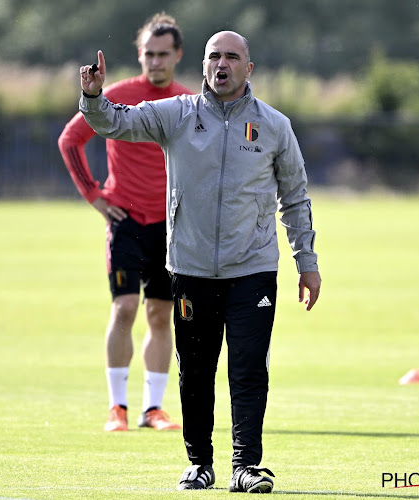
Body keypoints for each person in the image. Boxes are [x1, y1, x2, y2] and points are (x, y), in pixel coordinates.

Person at [77, 31, 322, 493]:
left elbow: (295, 197)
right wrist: (92, 97)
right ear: (204, 66)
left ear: (249, 69)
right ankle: (200, 463)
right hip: (189, 270)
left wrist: (305, 262)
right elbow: (117, 123)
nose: (222, 64)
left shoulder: (274, 126)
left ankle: (247, 466)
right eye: (215, 56)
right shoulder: (177, 114)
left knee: (248, 369)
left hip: (253, 269)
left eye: (232, 57)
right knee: (196, 371)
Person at [58, 13, 191, 433]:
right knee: (125, 307)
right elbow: (70, 139)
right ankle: (117, 407)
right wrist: (94, 195)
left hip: (170, 225)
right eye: (148, 54)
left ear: (177, 55)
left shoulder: (188, 103)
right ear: (140, 55)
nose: (155, 62)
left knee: (160, 315)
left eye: (163, 54)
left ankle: (154, 409)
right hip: (125, 219)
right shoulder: (114, 96)